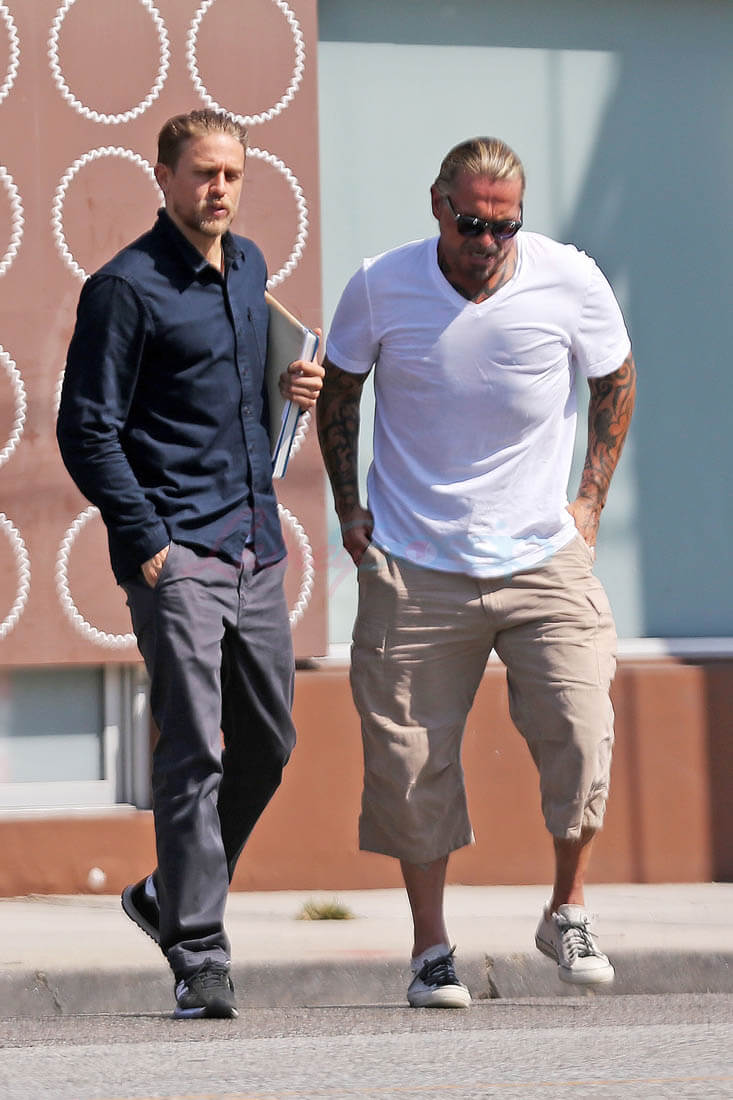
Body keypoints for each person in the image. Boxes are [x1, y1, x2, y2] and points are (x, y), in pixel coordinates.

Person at [317, 136, 635, 1009]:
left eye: (504, 225)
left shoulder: (569, 279)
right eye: (471, 224)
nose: (487, 242)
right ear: (437, 207)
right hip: (416, 562)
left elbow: (614, 379)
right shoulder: (381, 285)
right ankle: (430, 950)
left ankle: (567, 908)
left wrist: (590, 501)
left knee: (581, 726)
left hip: (543, 558)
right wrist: (349, 509)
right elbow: (339, 391)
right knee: (409, 760)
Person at [57, 109, 323, 1019]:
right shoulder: (123, 288)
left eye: (232, 175)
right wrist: (148, 543)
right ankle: (199, 951)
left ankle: (166, 895)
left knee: (269, 745)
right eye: (203, 173)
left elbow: (231, 397)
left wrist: (290, 389)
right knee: (192, 751)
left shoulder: (247, 269)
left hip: (255, 543)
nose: (219, 189)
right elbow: (85, 430)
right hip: (178, 552)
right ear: (164, 177)